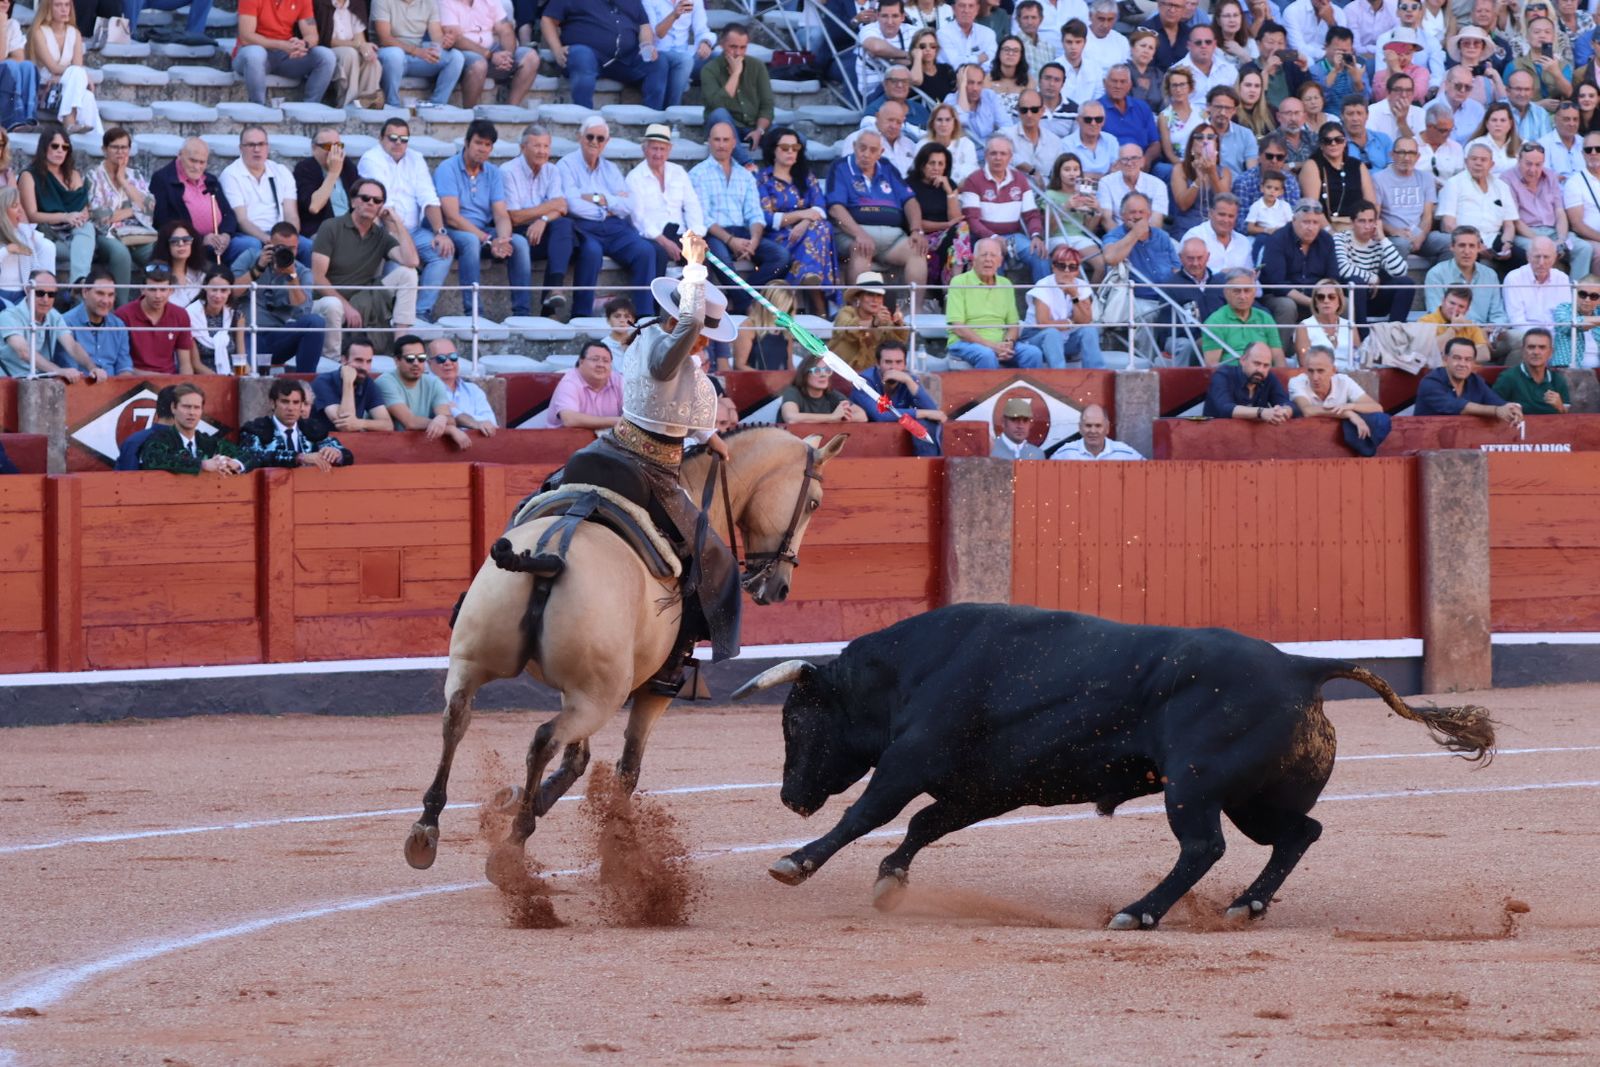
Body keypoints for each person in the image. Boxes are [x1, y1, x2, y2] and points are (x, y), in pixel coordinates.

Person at [549, 230, 741, 691]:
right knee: (714, 559)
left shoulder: (650, 337)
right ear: (685, 321)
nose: (703, 343)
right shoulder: (669, 347)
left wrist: (708, 435)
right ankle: (677, 657)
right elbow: (682, 346)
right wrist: (695, 266)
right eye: (701, 333)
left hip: (605, 449)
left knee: (542, 496)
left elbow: (670, 405)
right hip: (652, 473)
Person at [556, 117, 658, 318]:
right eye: (590, 137)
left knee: (645, 251)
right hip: (583, 226)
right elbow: (572, 204)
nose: (595, 142)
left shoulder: (610, 169)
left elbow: (629, 204)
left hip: (614, 227)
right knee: (591, 252)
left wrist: (597, 198)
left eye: (600, 138)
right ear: (580, 138)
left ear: (606, 142)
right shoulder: (566, 165)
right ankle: (581, 315)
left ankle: (645, 316)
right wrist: (608, 206)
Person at [357, 117, 454, 325]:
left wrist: (440, 232)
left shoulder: (415, 158)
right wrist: (402, 242)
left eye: (404, 139)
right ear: (381, 138)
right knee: (404, 266)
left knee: (443, 252)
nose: (398, 143)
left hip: (415, 230)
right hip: (386, 230)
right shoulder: (371, 159)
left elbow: (428, 196)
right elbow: (383, 206)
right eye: (392, 138)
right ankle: (387, 316)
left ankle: (420, 312)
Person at [310, 176, 421, 357]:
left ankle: (401, 346)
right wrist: (346, 306)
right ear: (353, 202)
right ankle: (333, 360)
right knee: (333, 305)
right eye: (365, 198)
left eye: (377, 201)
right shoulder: (331, 227)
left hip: (364, 300)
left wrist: (397, 222)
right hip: (329, 302)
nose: (371, 203)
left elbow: (412, 261)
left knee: (408, 274)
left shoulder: (381, 235)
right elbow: (318, 279)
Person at [437, 118, 533, 320]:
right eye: (478, 143)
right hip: (454, 231)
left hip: (483, 230)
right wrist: (488, 239)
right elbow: (452, 217)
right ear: (466, 143)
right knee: (471, 242)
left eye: (487, 145)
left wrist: (503, 240)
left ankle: (522, 313)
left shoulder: (493, 173)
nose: (482, 149)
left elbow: (500, 214)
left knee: (520, 243)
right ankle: (474, 313)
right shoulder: (447, 168)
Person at [691, 123, 788, 315]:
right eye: (717, 140)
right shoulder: (697, 174)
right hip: (714, 233)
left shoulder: (745, 175)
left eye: (726, 140)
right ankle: (747, 306)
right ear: (709, 142)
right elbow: (703, 217)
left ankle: (742, 299)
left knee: (781, 257)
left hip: (743, 232)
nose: (721, 145)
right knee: (720, 258)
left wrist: (753, 241)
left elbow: (755, 214)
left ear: (734, 143)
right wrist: (730, 240)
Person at [826, 131, 930, 289]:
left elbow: (910, 201)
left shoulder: (887, 167)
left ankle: (915, 311)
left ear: (880, 152)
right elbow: (835, 208)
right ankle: (856, 310)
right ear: (854, 147)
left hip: (892, 238)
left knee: (917, 252)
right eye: (862, 148)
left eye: (873, 150)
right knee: (861, 249)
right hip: (854, 233)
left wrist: (916, 230)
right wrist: (859, 234)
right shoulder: (840, 167)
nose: (866, 154)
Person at [756, 128, 839, 317]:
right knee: (819, 230)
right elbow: (767, 218)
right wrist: (804, 215)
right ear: (773, 150)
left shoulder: (805, 176)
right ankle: (822, 307)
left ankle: (810, 276)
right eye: (785, 148)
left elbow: (820, 207)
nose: (791, 152)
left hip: (808, 232)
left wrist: (804, 222)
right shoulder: (763, 179)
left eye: (795, 147)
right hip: (780, 237)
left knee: (821, 226)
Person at [501, 123, 574, 321]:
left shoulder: (551, 170)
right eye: (536, 146)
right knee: (560, 237)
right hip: (517, 233)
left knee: (564, 226)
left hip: (542, 230)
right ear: (523, 147)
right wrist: (549, 208)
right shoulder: (508, 171)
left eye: (546, 146)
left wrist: (542, 219)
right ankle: (528, 312)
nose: (542, 151)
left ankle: (553, 293)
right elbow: (514, 217)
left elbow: (562, 208)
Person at [958, 134, 1049, 282]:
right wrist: (993, 238)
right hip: (985, 237)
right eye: (993, 153)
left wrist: (1036, 236)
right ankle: (995, 302)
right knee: (991, 260)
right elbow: (972, 220)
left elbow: (1031, 214)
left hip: (1013, 236)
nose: (998, 158)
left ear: (1010, 157)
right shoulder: (973, 180)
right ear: (986, 156)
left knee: (1040, 254)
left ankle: (1043, 301)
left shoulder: (1020, 179)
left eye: (1003, 154)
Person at [1102, 192, 1182, 358]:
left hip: (1166, 296)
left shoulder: (1162, 236)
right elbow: (1110, 258)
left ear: (1149, 214)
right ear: (1123, 215)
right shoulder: (1115, 235)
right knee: (1148, 315)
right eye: (1132, 212)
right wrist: (1135, 234)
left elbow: (1176, 269)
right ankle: (1146, 366)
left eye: (1142, 212)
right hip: (1135, 298)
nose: (1138, 216)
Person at [945, 236, 1045, 368]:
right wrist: (992, 346)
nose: (988, 259)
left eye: (993, 255)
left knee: (1033, 353)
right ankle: (988, 389)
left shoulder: (1005, 284)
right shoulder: (959, 282)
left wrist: (1008, 343)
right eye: (984, 255)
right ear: (974, 259)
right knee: (987, 355)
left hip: (999, 343)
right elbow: (959, 328)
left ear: (1000, 262)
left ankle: (1025, 389)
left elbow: (1013, 324)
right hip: (965, 343)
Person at [220, 125, 305, 275]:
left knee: (309, 246)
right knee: (252, 245)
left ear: (267, 147)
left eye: (261, 144)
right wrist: (268, 240)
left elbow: (291, 214)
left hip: (279, 233)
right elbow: (242, 220)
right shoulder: (231, 175)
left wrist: (289, 239)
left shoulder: (281, 171)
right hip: (248, 234)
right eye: (251, 145)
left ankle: (306, 294)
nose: (257, 149)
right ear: (241, 148)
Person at [242, 222, 326, 373]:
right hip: (248, 333)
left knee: (315, 322)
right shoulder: (250, 257)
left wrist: (292, 276)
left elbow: (302, 312)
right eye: (281, 247)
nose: (286, 252)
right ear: (269, 244)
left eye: (291, 249)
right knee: (250, 371)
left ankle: (305, 383)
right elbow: (230, 292)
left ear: (298, 247)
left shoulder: (302, 272)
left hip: (278, 336)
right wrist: (258, 269)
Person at [150, 139, 243, 271]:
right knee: (212, 271)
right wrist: (201, 239)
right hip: (188, 245)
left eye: (202, 162)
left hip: (218, 242)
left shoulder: (210, 180)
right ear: (180, 155)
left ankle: (237, 287)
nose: (197, 167)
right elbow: (163, 221)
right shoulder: (163, 179)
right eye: (193, 161)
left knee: (249, 245)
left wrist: (225, 235)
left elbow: (228, 213)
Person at [1260, 199, 1342, 348]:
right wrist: (1311, 302)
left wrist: (1323, 298)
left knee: (1345, 303)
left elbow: (1332, 278)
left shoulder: (1326, 240)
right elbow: (1277, 284)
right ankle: (1281, 356)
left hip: (1317, 295)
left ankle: (1342, 353)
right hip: (1279, 296)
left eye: (1315, 223)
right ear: (1293, 220)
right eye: (1306, 222)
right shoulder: (1277, 239)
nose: (1310, 228)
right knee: (1287, 306)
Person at [20, 125, 95, 286]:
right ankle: (80, 288)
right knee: (81, 250)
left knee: (90, 232)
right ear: (44, 147)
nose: (60, 150)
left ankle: (78, 286)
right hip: (48, 234)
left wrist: (82, 215)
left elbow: (84, 205)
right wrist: (65, 216)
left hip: (77, 232)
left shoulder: (72, 174)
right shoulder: (29, 176)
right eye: (55, 146)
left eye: (65, 147)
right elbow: (32, 215)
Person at [0, 270, 104, 380]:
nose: (45, 299)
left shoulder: (54, 315)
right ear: (27, 290)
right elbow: (24, 352)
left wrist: (92, 368)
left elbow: (72, 346)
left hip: (39, 381)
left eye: (51, 294)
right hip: (7, 384)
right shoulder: (8, 316)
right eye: (40, 293)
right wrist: (59, 371)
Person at [847, 339, 945, 455]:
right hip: (864, 442)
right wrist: (923, 413)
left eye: (898, 362)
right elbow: (880, 415)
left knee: (927, 423)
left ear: (905, 364)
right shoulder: (863, 382)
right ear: (878, 364)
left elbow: (933, 412)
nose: (893, 367)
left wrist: (909, 381)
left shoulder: (908, 379)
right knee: (925, 417)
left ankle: (927, 465)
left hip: (897, 441)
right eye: (888, 362)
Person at [1289, 345, 1391, 455]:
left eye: (1320, 371)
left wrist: (1351, 406)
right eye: (1310, 371)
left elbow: (1377, 407)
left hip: (1342, 440)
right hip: (1306, 442)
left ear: (1333, 370)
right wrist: (1349, 414)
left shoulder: (1343, 381)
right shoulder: (1297, 382)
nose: (1315, 377)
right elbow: (1307, 410)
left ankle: (1363, 453)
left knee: (1381, 419)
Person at [374, 333, 472, 448]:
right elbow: (410, 422)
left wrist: (443, 418)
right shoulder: (385, 382)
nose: (416, 363)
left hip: (418, 449)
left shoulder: (434, 383)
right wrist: (449, 429)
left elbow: (450, 419)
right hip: (387, 448)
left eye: (421, 358)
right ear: (397, 361)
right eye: (410, 359)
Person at [231, 0, 337, 106]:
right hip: (251, 54)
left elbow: (312, 35)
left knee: (326, 56)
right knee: (255, 54)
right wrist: (281, 45)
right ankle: (258, 107)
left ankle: (310, 106)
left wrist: (303, 44)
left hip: (285, 56)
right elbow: (246, 37)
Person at [1423, 226, 1510, 347]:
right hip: (1452, 336)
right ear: (1452, 247)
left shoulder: (1490, 275)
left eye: (1472, 246)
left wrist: (1494, 330)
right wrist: (1475, 332)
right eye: (1462, 245)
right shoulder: (1436, 274)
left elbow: (1498, 314)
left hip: (1486, 335)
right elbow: (1437, 314)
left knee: (1519, 342)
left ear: (1479, 248)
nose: (1467, 251)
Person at [238, 378, 353, 470]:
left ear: (302, 405)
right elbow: (253, 456)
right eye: (285, 402)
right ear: (273, 404)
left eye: (296, 402)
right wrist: (299, 457)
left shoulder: (312, 429)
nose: (291, 408)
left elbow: (347, 455)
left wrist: (336, 454)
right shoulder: (257, 429)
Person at [697, 24, 770, 164]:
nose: (738, 53)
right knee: (720, 114)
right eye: (733, 47)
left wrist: (759, 130)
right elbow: (717, 105)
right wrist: (736, 74)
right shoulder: (709, 69)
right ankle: (748, 165)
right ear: (722, 44)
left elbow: (767, 106)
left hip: (753, 126)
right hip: (722, 126)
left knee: (790, 139)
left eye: (743, 48)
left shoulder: (757, 66)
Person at [443, 0, 538, 108]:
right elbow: (456, 39)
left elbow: (506, 29)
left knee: (531, 57)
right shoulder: (446, 2)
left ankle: (511, 108)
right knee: (479, 64)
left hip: (492, 49)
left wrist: (508, 56)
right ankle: (470, 113)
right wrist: (490, 55)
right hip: (464, 52)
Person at [27, 0, 101, 137]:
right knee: (78, 73)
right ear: (48, 8)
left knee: (88, 97)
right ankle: (70, 120)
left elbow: (76, 68)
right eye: (58, 5)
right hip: (46, 89)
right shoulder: (38, 32)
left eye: (67, 5)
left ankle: (93, 139)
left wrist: (68, 75)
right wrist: (83, 74)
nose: (64, 9)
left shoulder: (75, 33)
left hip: (65, 87)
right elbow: (53, 67)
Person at [138, 384, 248, 475]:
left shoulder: (208, 442)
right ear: (173, 408)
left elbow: (250, 455)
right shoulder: (160, 439)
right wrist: (201, 465)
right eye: (186, 407)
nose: (191, 412)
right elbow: (153, 459)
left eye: (196, 407)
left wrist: (235, 463)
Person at [374, 0, 466, 108]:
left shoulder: (430, 3)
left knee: (456, 57)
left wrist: (445, 42)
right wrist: (415, 51)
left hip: (416, 55)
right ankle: (392, 105)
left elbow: (436, 37)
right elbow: (384, 39)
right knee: (395, 55)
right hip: (388, 54)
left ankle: (437, 105)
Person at [1021, 245, 1103, 367]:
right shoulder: (1043, 285)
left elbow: (1085, 320)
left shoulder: (1082, 285)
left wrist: (1074, 295)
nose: (1066, 271)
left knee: (1089, 330)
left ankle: (1096, 374)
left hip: (1067, 338)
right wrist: (1070, 323)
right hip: (1037, 337)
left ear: (1077, 270)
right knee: (1052, 333)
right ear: (1053, 267)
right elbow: (1043, 323)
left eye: (1072, 267)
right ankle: (1060, 376)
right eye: (1061, 266)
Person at [1333, 199, 1411, 325]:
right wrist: (1372, 277)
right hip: (1350, 300)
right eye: (1362, 221)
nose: (1368, 226)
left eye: (1371, 221)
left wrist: (1383, 239)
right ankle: (1361, 334)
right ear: (1352, 223)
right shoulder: (1340, 238)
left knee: (1406, 283)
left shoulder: (1379, 242)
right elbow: (1343, 268)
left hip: (1374, 299)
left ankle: (1395, 333)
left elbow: (1400, 272)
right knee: (1356, 282)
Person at [1414, 335, 1523, 423]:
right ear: (1445, 359)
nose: (1462, 364)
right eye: (1457, 358)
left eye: (1468, 359)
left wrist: (1510, 408)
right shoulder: (1430, 382)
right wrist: (1495, 411)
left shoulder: (1476, 381)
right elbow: (1455, 406)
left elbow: (1496, 402)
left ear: (1473, 363)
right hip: (1426, 443)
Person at [1374, 136, 1449, 262]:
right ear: (1392, 155)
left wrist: (1421, 236)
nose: (1407, 158)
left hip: (1420, 235)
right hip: (1393, 236)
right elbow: (1374, 217)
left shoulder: (1426, 178)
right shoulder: (1378, 179)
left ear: (1418, 157)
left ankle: (1439, 279)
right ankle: (1395, 281)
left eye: (1411, 153)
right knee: (1401, 244)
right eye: (1401, 152)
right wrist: (1394, 231)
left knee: (1449, 242)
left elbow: (1427, 217)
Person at [906, 141, 968, 287]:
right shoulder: (909, 185)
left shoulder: (948, 183)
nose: (936, 168)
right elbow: (914, 221)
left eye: (941, 164)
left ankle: (955, 283)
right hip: (921, 236)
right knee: (961, 232)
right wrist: (945, 225)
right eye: (932, 163)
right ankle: (954, 286)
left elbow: (956, 219)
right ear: (922, 165)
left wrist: (949, 191)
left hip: (946, 237)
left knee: (963, 227)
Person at [115, 265, 199, 374]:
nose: (158, 295)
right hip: (134, 380)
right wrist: (157, 377)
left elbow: (185, 365)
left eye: (163, 289)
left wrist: (185, 387)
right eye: (152, 289)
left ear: (171, 290)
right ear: (142, 289)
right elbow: (119, 364)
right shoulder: (123, 314)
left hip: (169, 383)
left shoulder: (180, 315)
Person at [1502, 236, 1572, 357]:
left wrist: (1550, 340)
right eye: (1537, 257)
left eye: (1546, 257)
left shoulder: (1562, 278)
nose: (1541, 263)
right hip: (1525, 335)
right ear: (1528, 257)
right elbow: (1517, 321)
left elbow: (1564, 317)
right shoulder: (1513, 278)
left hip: (1555, 337)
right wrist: (1542, 340)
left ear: (1555, 257)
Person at [309, 335, 394, 434]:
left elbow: (387, 425)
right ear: (344, 360)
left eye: (369, 361)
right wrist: (348, 382)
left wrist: (361, 423)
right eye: (359, 360)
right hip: (321, 443)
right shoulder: (323, 381)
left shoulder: (367, 382)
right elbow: (344, 426)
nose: (364, 367)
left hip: (351, 443)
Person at [1300, 121, 1377, 226]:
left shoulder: (1358, 165)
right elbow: (1313, 206)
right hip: (1327, 227)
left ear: (1345, 142)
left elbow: (1370, 204)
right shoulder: (1312, 166)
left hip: (1358, 227)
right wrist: (1331, 233)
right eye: (1328, 141)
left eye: (1338, 140)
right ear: (1321, 145)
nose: (1333, 144)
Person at [1202, 267, 1284, 366]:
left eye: (1247, 291)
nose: (1243, 296)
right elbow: (1212, 366)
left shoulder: (1265, 318)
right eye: (1237, 291)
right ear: (1226, 293)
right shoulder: (1215, 322)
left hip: (1264, 376)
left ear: (1254, 292)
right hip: (1231, 377)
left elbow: (1278, 358)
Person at [830, 272, 910, 371]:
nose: (875, 300)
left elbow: (896, 346)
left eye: (879, 295)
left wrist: (897, 324)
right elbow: (847, 330)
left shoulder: (884, 319)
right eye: (870, 294)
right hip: (842, 373)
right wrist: (873, 323)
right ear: (858, 297)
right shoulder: (846, 312)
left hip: (872, 378)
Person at [294, 128, 360, 241]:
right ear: (314, 148)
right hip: (321, 229)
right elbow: (314, 207)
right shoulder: (305, 169)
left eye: (338, 146)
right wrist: (333, 173)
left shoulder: (347, 166)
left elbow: (360, 197)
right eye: (328, 147)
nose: (334, 151)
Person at [644, 0, 713, 109]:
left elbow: (702, 30)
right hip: (660, 56)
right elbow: (653, 35)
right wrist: (674, 15)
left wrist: (705, 42)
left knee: (718, 58)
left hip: (685, 56)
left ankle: (719, 114)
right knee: (685, 61)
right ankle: (671, 111)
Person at [62, 267, 130, 376]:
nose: (105, 301)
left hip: (114, 388)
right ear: (85, 292)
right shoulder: (66, 323)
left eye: (110, 295)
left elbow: (124, 369)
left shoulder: (119, 325)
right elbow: (71, 373)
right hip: (79, 388)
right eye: (100, 293)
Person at [1169, 123, 1234, 236]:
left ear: (1216, 145)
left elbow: (1225, 204)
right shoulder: (1180, 169)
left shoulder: (1224, 172)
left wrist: (1212, 173)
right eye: (1199, 137)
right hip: (1187, 228)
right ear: (1192, 146)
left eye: (1210, 138)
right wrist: (1199, 180)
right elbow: (1183, 205)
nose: (1205, 141)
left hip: (1216, 229)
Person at [1203, 340, 1294, 421]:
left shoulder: (1269, 377)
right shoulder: (1223, 375)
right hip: (1216, 434)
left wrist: (1284, 411)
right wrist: (1261, 412)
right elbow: (1225, 408)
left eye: (1266, 365)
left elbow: (1287, 403)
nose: (1260, 370)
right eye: (1256, 363)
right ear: (1242, 360)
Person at [315, 0, 383, 108]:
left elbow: (359, 38)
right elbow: (326, 39)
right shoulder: (321, 3)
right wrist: (358, 45)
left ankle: (367, 103)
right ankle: (347, 103)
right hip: (329, 49)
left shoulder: (356, 3)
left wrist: (365, 48)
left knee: (372, 60)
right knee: (350, 54)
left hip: (352, 47)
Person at [545, 339, 623, 428]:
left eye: (606, 361)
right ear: (581, 362)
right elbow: (570, 419)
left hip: (608, 438)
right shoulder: (569, 382)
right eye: (595, 359)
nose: (600, 364)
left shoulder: (619, 380)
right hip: (565, 438)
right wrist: (615, 421)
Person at [424, 337, 495, 433]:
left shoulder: (473, 390)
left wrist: (454, 410)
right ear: (429, 363)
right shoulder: (424, 388)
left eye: (453, 357)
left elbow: (491, 423)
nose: (448, 362)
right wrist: (477, 422)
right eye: (441, 359)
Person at [1493, 328, 1569, 414]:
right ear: (1523, 351)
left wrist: (1560, 407)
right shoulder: (1508, 378)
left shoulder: (1558, 380)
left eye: (1542, 347)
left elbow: (1567, 417)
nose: (1536, 352)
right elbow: (1494, 409)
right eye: (1531, 347)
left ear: (1550, 352)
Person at [1098, 143, 1169, 232]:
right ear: (1118, 163)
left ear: (1142, 161)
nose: (1129, 163)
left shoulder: (1158, 185)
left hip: (1148, 236)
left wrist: (1143, 240)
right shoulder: (1106, 183)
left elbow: (1156, 222)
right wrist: (1125, 241)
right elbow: (1106, 220)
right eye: (1124, 159)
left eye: (1134, 158)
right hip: (1118, 235)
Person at [186, 265, 244, 374]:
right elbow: (196, 365)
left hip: (232, 375)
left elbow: (241, 359)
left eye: (223, 290)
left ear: (230, 291)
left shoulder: (236, 315)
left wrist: (244, 374)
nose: (218, 295)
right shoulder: (190, 315)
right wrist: (221, 380)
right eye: (214, 289)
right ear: (205, 288)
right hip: (203, 378)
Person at [1294, 278, 1363, 368]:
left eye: (1331, 297)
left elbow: (1358, 359)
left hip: (1348, 377)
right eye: (1321, 297)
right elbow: (1304, 363)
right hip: (1318, 378)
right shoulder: (1304, 327)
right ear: (1315, 302)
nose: (1326, 301)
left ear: (1339, 301)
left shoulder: (1350, 325)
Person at [779, 354, 867, 423]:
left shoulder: (832, 395)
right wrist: (832, 417)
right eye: (817, 371)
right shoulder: (793, 392)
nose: (823, 375)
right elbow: (791, 418)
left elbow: (862, 416)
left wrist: (839, 419)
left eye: (827, 370)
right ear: (804, 374)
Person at [1182, 192, 1253, 276]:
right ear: (1211, 213)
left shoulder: (1244, 242)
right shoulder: (1194, 236)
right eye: (1222, 215)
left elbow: (1250, 277)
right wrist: (1221, 273)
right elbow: (1186, 272)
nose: (1226, 220)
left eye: (1231, 216)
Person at [1418, 286, 1492, 364]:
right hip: (1440, 373)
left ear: (1467, 310)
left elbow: (1485, 355)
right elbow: (1428, 351)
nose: (1455, 309)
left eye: (1461, 306)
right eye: (1452, 303)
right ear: (1443, 301)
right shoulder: (1425, 321)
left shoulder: (1470, 326)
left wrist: (1453, 356)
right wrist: (1453, 329)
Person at [1001, 89, 1065, 176]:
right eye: (1024, 110)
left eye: (1034, 110)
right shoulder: (1005, 135)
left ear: (1042, 111)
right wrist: (1031, 170)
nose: (1029, 115)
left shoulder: (1055, 142)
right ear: (1018, 111)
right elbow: (999, 157)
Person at [1564, 131, 1600, 285]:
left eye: (1598, 149)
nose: (1593, 153)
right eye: (1588, 150)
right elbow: (1577, 225)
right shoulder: (1575, 182)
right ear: (1582, 154)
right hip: (1590, 238)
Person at [731, 283, 794, 371]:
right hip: (754, 380)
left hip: (780, 381)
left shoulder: (786, 330)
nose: (786, 313)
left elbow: (789, 366)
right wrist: (767, 379)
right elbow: (739, 365)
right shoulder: (748, 327)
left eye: (789, 309)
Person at [114, 384, 177, 471]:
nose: (193, 412)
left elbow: (124, 481)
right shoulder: (192, 442)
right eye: (188, 406)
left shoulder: (134, 441)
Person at [1054, 402, 1143, 459]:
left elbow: (1148, 476)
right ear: (1080, 428)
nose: (1093, 431)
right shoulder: (1065, 453)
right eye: (1088, 425)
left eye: (1098, 426)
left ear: (1107, 428)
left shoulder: (1125, 453)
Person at [945, 62, 1006, 141]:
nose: (975, 88)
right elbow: (962, 120)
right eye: (970, 82)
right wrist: (962, 88)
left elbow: (1006, 125)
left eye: (979, 83)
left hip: (989, 148)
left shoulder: (989, 96)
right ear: (960, 82)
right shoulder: (950, 100)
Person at [1060, 99, 1120, 179]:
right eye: (1088, 119)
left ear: (1103, 121)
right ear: (1078, 120)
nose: (1093, 123)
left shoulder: (1111, 140)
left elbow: (1117, 173)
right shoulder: (1066, 144)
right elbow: (1069, 177)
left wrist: (1085, 175)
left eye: (1098, 119)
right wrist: (1106, 175)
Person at [1416, 101, 1465, 193]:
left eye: (1451, 130)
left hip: (1447, 196)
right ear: (1429, 126)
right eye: (1443, 131)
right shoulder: (1411, 145)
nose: (1448, 134)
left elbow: (1460, 179)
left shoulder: (1456, 148)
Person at [1552, 275, 1600, 369]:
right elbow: (1568, 325)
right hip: (1567, 370)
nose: (1587, 300)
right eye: (1582, 294)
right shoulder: (1563, 308)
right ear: (1574, 293)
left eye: (1593, 296)